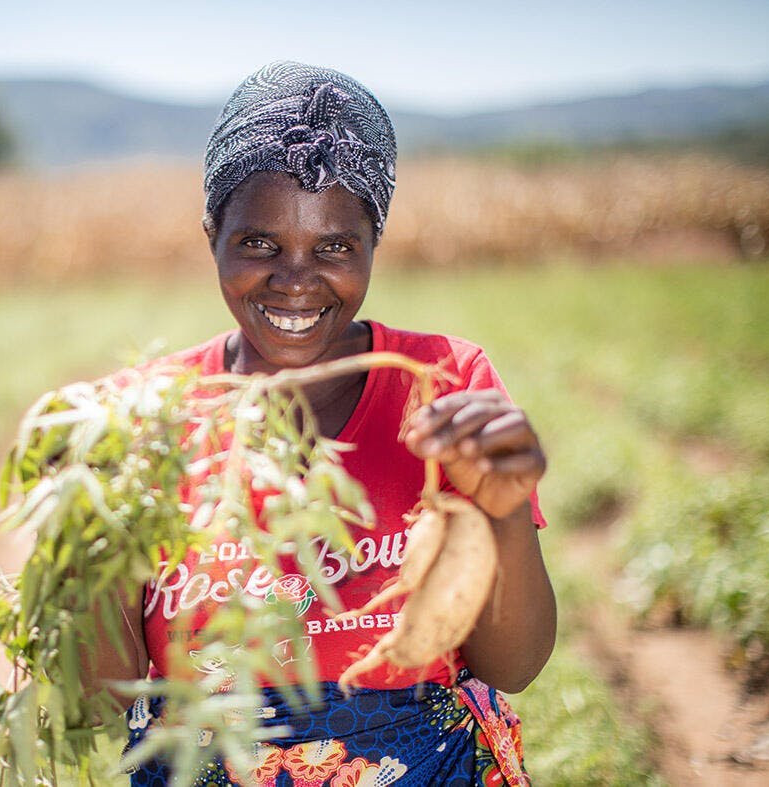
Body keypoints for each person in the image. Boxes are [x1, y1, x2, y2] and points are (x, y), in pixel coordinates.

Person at [95, 60, 556, 787]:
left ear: (375, 240)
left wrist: (499, 510)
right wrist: (95, 538)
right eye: (259, 243)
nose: (295, 279)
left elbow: (514, 664)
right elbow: (101, 693)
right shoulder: (145, 419)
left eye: (334, 247)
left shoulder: (442, 388)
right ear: (211, 232)